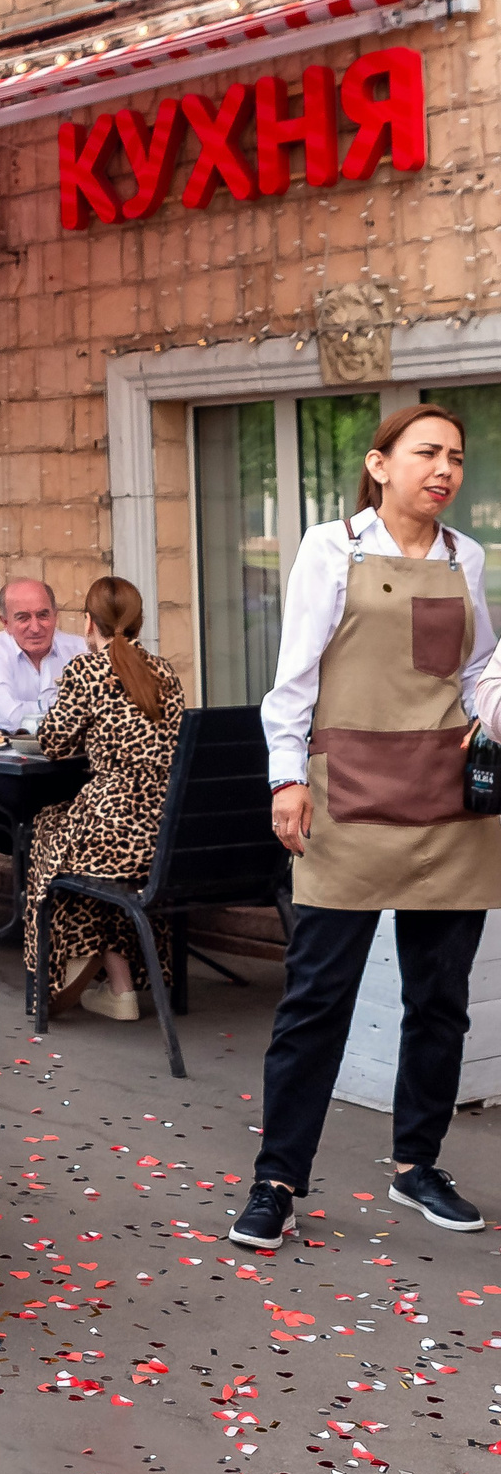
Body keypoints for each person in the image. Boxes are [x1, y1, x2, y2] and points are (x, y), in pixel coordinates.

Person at [233, 404, 499, 1250]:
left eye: (456, 456)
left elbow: (479, 669)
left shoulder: (467, 556)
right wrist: (286, 778)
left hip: (449, 805)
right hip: (345, 797)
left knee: (440, 1001)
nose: (445, 469)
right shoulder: (330, 548)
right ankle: (277, 1180)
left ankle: (418, 1164)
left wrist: (496, 707)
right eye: (427, 452)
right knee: (317, 999)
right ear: (380, 464)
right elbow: (294, 677)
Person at [20, 576, 187, 1019]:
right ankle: (120, 986)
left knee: (48, 831)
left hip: (113, 825)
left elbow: (53, 742)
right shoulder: (165, 671)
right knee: (76, 840)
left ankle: (68, 963)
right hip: (165, 832)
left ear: (88, 623)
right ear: (140, 621)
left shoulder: (86, 671)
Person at [0, 578, 86, 732]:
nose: (35, 628)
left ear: (55, 616)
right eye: (23, 618)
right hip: (5, 746)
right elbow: (11, 719)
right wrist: (70, 709)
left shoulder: (81, 650)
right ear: (5, 623)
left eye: (43, 615)